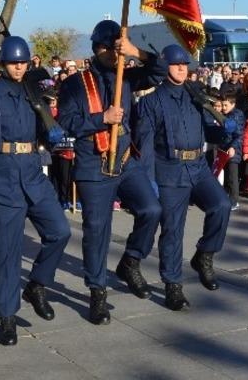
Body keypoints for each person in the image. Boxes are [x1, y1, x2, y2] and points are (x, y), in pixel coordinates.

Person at [56, 19, 165, 325]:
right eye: (111, 48)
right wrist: (101, 118)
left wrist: (137, 52)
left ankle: (130, 261)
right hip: (94, 163)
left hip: (126, 161)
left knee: (152, 209)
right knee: (97, 230)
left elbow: (160, 71)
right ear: (97, 48)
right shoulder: (76, 83)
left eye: (119, 48)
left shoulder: (126, 77)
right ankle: (97, 291)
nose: (116, 53)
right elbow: (66, 122)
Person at [0, 36, 70, 346]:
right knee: (7, 253)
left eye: (23, 62)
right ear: (3, 64)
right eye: (13, 62)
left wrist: (53, 129)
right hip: (3, 177)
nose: (18, 67)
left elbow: (45, 130)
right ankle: (7, 315)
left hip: (32, 174)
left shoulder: (33, 91)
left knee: (60, 231)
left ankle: (36, 285)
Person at [136, 44, 232, 312]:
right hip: (169, 169)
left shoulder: (194, 95)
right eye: (176, 64)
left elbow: (207, 131)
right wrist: (148, 179)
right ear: (165, 66)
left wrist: (225, 133)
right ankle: (173, 285)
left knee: (221, 205)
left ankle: (204, 255)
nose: (181, 68)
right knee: (173, 230)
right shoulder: (151, 102)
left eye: (184, 64)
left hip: (198, 166)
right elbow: (144, 144)